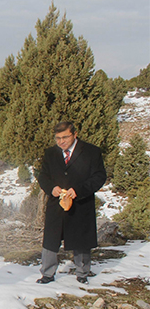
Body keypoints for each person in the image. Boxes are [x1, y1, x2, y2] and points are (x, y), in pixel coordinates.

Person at [36, 121, 107, 285]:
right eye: (58, 138)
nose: (61, 141)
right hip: (56, 204)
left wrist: (79, 190)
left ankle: (82, 272)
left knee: (81, 239)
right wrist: (51, 188)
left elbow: (99, 177)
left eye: (65, 137)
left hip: (81, 203)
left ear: (75, 135)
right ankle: (47, 273)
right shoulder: (50, 153)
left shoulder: (92, 152)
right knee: (51, 240)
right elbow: (43, 176)